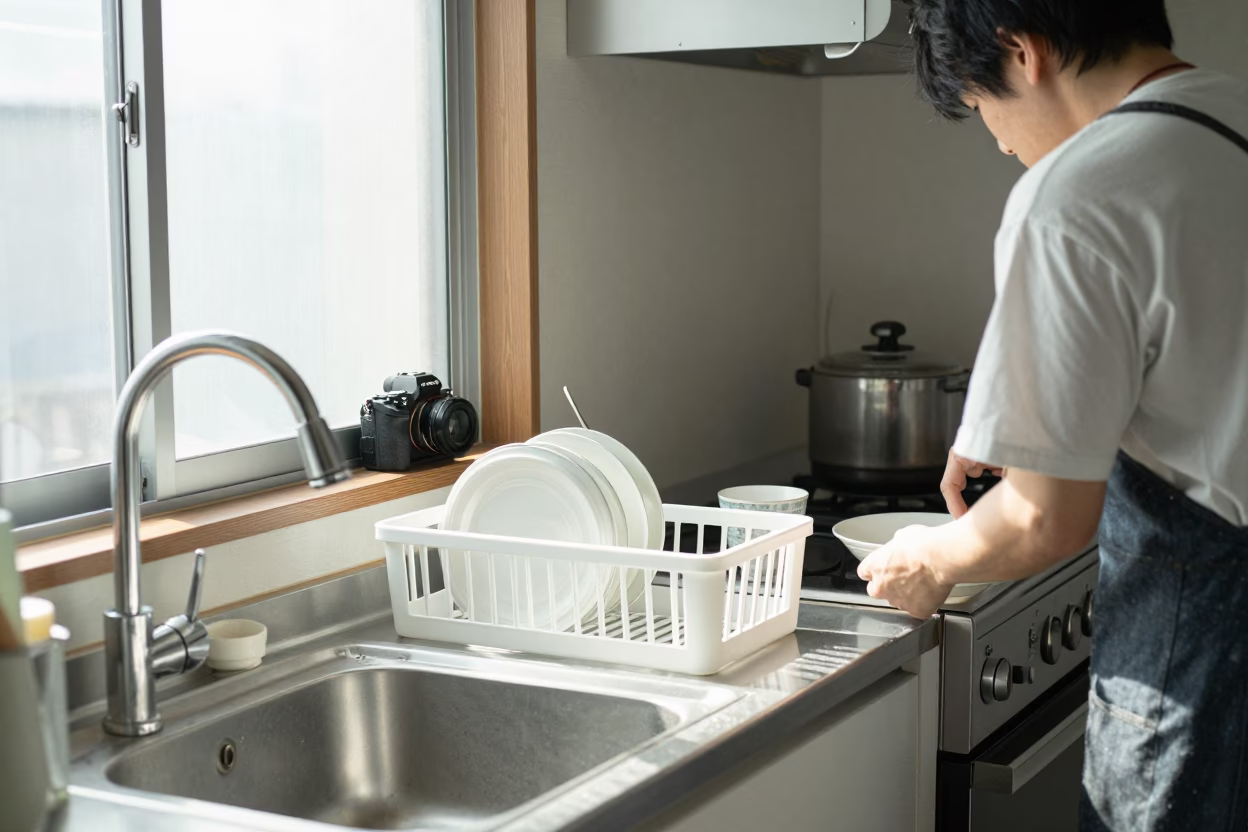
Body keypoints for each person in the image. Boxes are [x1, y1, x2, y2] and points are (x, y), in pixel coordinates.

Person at [854, 1, 1248, 829]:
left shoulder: (1076, 192)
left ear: (1020, 51)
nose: (997, 139)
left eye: (981, 107)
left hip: (1205, 666)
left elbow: (1044, 518)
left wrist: (934, 556)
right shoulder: (1230, 120)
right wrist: (1021, 424)